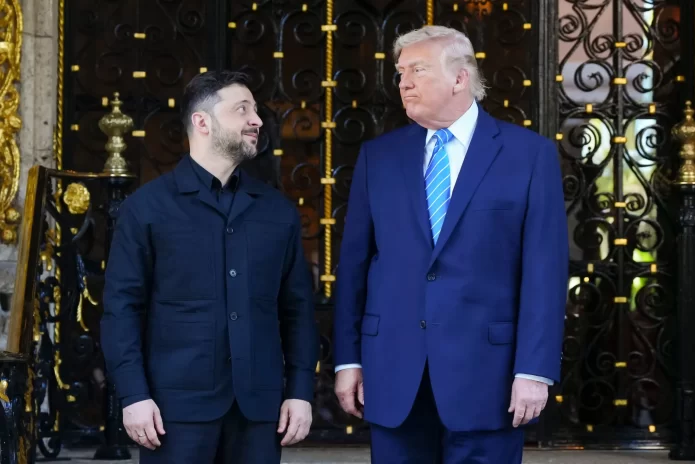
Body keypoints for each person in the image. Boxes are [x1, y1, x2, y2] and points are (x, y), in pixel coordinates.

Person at [333, 25, 568, 463]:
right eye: (401, 72)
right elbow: (354, 267)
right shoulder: (378, 157)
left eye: (417, 70)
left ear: (460, 78)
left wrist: (534, 370)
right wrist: (348, 360)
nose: (403, 82)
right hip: (393, 373)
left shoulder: (528, 154)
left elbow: (545, 272)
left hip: (489, 379)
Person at [101, 70, 319, 464]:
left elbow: (298, 310)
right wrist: (133, 395)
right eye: (242, 109)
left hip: (259, 412)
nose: (257, 120)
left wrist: (300, 391)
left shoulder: (278, 212)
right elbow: (122, 309)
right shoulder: (146, 208)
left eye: (255, 110)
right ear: (202, 122)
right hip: (172, 413)